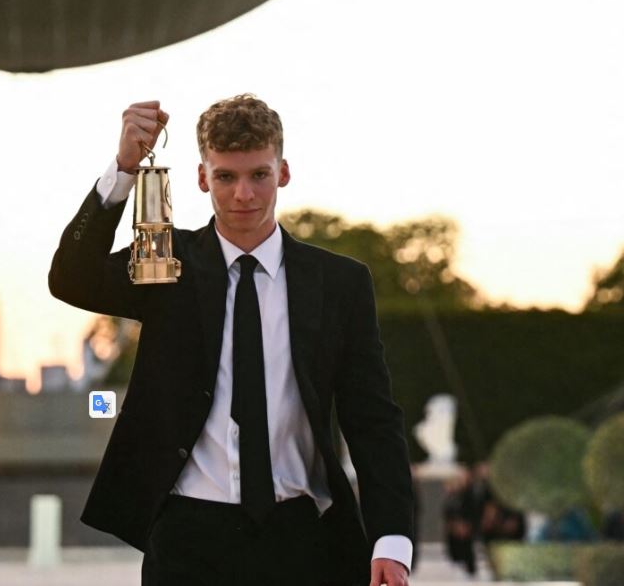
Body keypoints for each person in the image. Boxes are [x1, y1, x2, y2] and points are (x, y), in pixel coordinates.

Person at [49, 97, 415, 586]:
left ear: (283, 172)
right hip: (188, 539)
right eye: (225, 177)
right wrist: (123, 170)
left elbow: (372, 418)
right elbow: (71, 279)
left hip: (304, 537)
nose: (243, 193)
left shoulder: (339, 283)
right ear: (203, 178)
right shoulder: (165, 265)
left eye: (258, 175)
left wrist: (391, 538)